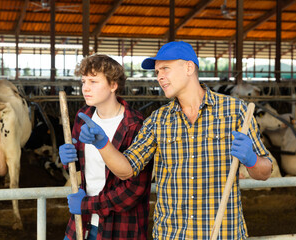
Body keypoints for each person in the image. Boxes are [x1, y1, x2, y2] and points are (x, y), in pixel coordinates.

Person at [77, 41, 273, 239]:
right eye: (156, 72)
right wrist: (103, 144)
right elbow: (127, 169)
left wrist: (252, 160)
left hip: (223, 234)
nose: (160, 76)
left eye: (165, 68)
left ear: (189, 67)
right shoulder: (158, 120)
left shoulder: (235, 112)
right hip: (171, 234)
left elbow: (265, 172)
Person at [60, 54, 153, 240]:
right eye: (83, 81)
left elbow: (134, 190)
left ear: (113, 85)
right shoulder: (83, 116)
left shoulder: (135, 125)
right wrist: (68, 159)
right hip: (82, 222)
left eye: (93, 81)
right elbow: (79, 166)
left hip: (120, 228)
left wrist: (87, 204)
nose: (85, 88)